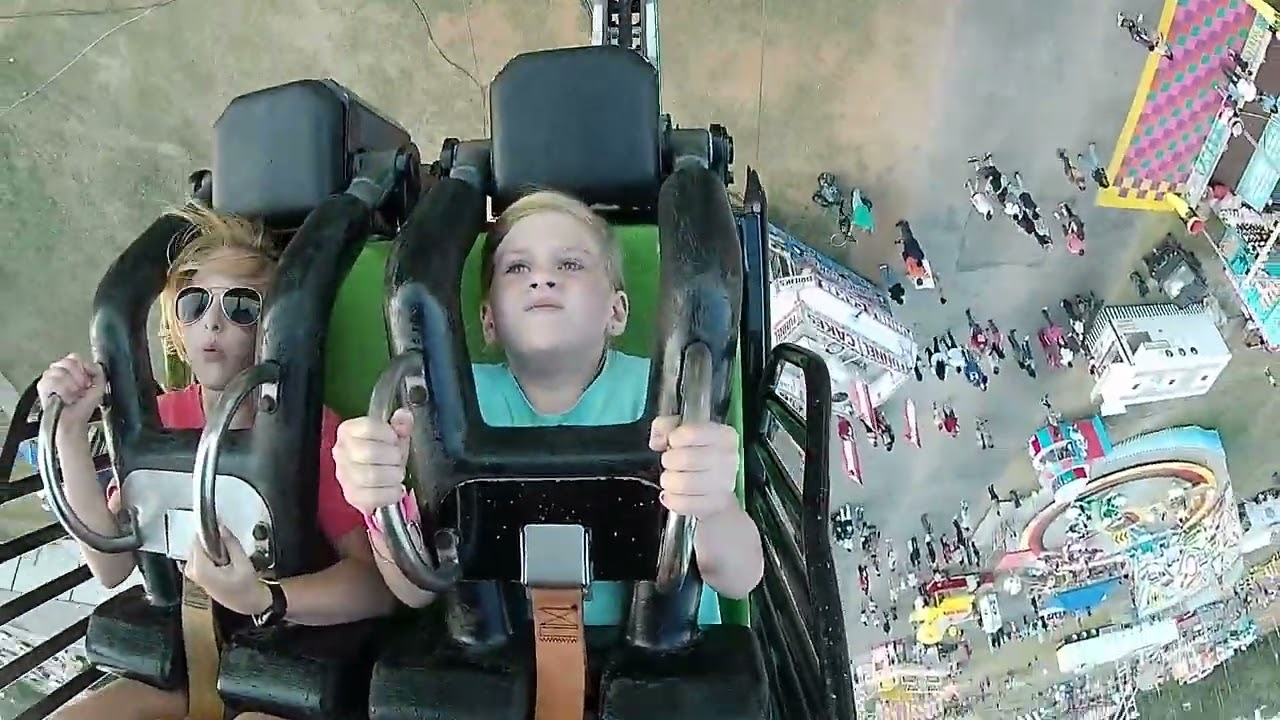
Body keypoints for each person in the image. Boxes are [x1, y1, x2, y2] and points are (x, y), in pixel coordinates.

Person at [332, 190, 764, 617]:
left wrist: (712, 503)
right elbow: (416, 591)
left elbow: (741, 577)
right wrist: (379, 501)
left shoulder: (671, 390)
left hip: (662, 650)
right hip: (503, 653)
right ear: (488, 320)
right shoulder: (446, 399)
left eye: (570, 264)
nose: (542, 279)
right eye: (517, 267)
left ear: (615, 312)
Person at [42, 208, 397, 720]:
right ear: (177, 327)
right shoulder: (160, 421)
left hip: (288, 655)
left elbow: (374, 586)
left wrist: (268, 598)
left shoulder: (311, 432)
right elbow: (110, 566)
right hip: (193, 653)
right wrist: (71, 436)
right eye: (195, 304)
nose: (213, 322)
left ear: (272, 331)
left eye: (241, 307)